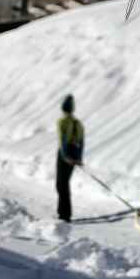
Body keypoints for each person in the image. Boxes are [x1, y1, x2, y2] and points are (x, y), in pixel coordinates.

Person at [56, 94, 84, 222]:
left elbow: (62, 141)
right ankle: (64, 213)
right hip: (74, 153)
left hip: (64, 154)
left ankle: (64, 215)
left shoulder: (62, 122)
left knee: (61, 184)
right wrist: (78, 158)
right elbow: (81, 142)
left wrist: (65, 156)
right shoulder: (78, 123)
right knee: (65, 184)